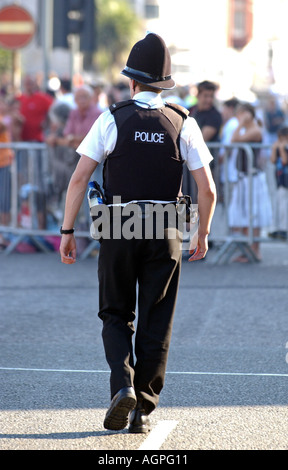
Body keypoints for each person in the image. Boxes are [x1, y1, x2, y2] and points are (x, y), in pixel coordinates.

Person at [59, 33, 216, 433]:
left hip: (118, 223)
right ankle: (143, 410)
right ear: (164, 84)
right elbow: (207, 188)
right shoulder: (183, 121)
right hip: (166, 226)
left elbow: (79, 179)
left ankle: (122, 385)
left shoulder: (112, 117)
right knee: (156, 317)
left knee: (115, 312)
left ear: (132, 82)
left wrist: (67, 230)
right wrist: (203, 233)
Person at [228, 102, 272, 261]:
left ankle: (254, 250)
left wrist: (240, 124)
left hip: (252, 178)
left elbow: (234, 140)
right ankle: (247, 250)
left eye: (240, 114)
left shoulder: (255, 130)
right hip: (244, 178)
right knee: (243, 213)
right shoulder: (250, 129)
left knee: (253, 213)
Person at [269, 126, 288, 239]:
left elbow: (285, 160)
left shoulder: (284, 148)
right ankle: (277, 227)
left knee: (284, 205)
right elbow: (272, 160)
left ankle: (284, 228)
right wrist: (274, 149)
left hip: (286, 180)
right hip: (280, 179)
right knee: (278, 204)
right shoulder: (279, 146)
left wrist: (281, 148)